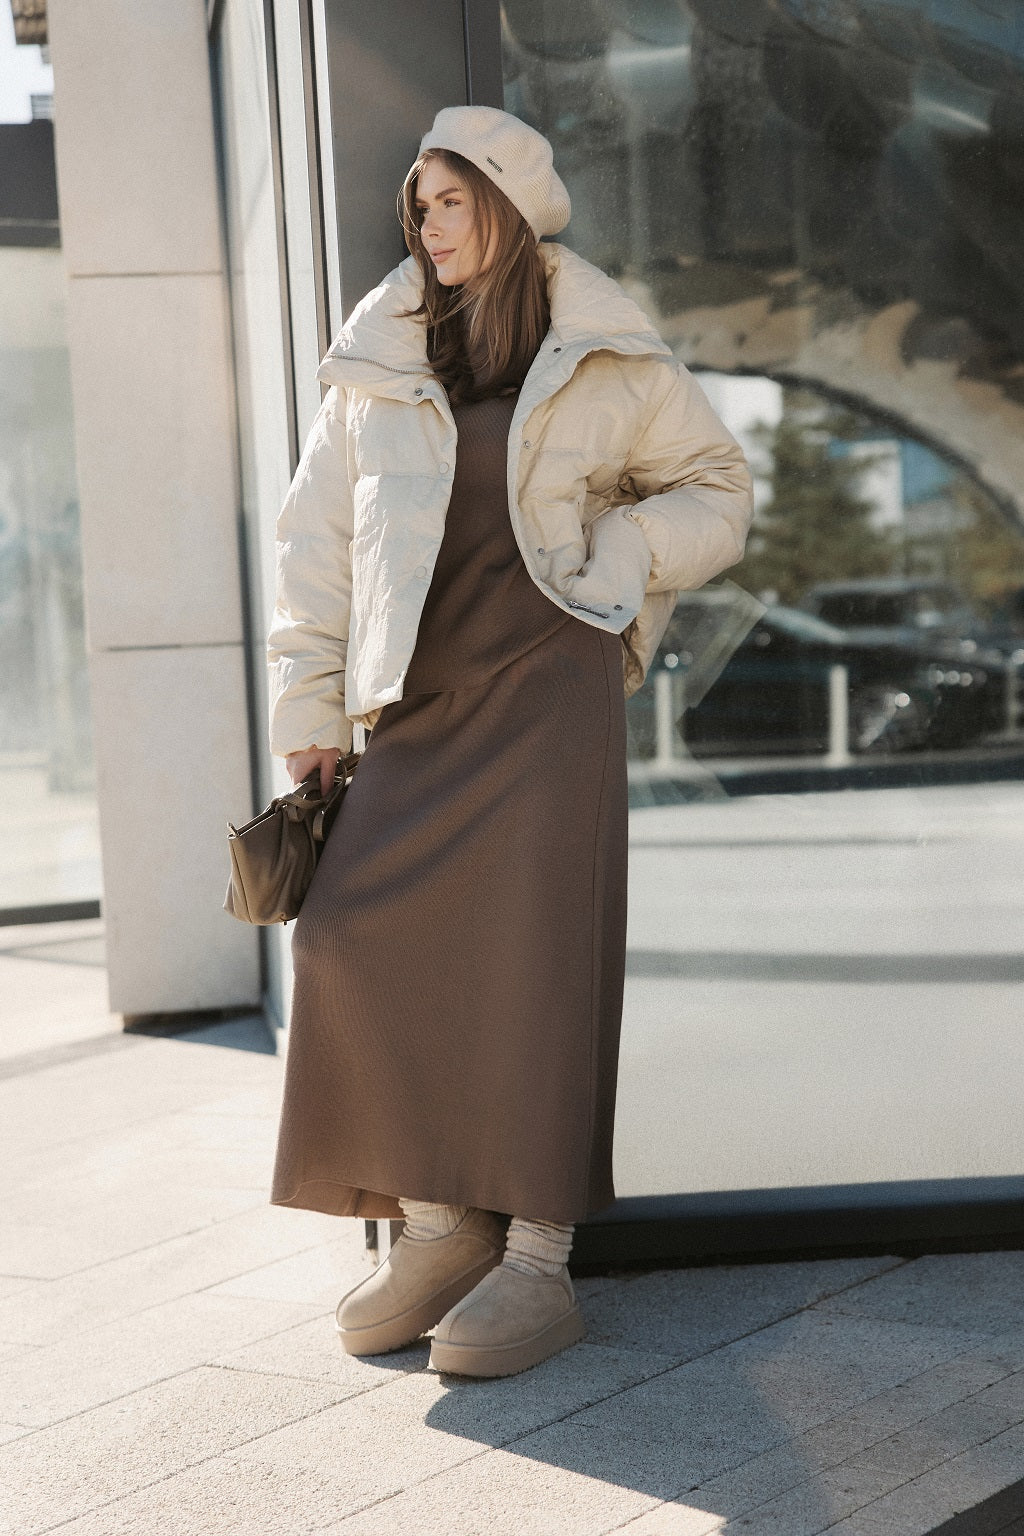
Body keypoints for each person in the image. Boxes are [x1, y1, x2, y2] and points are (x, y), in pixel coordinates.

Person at [266, 105, 753, 1379]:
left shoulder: (605, 351)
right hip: (413, 703)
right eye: (414, 204)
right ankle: (435, 1225)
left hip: (549, 688)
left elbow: (716, 488)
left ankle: (537, 1261)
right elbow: (315, 549)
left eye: (447, 198)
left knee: (536, 964)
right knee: (353, 934)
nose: (425, 222)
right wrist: (310, 713)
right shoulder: (376, 355)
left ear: (508, 203)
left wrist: (627, 550)